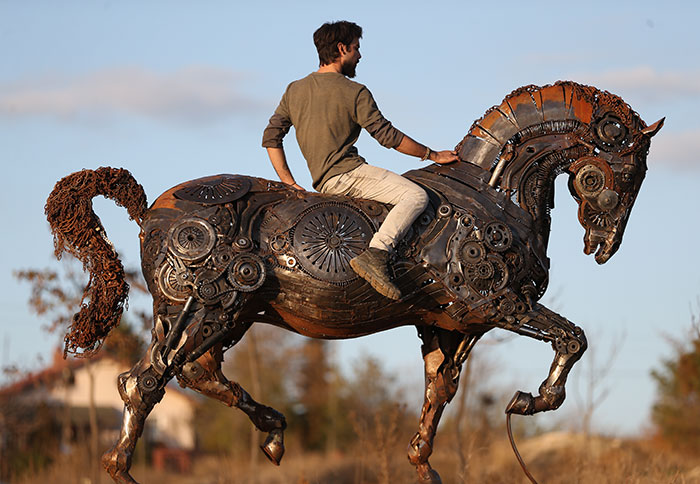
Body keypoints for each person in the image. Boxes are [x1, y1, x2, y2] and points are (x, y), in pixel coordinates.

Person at [262, 20, 457, 300]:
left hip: (323, 182)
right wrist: (433, 154)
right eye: (356, 48)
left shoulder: (294, 90)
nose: (359, 55)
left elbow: (271, 137)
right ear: (342, 49)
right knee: (415, 196)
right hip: (349, 175)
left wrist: (289, 183)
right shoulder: (355, 92)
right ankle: (376, 255)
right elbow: (387, 136)